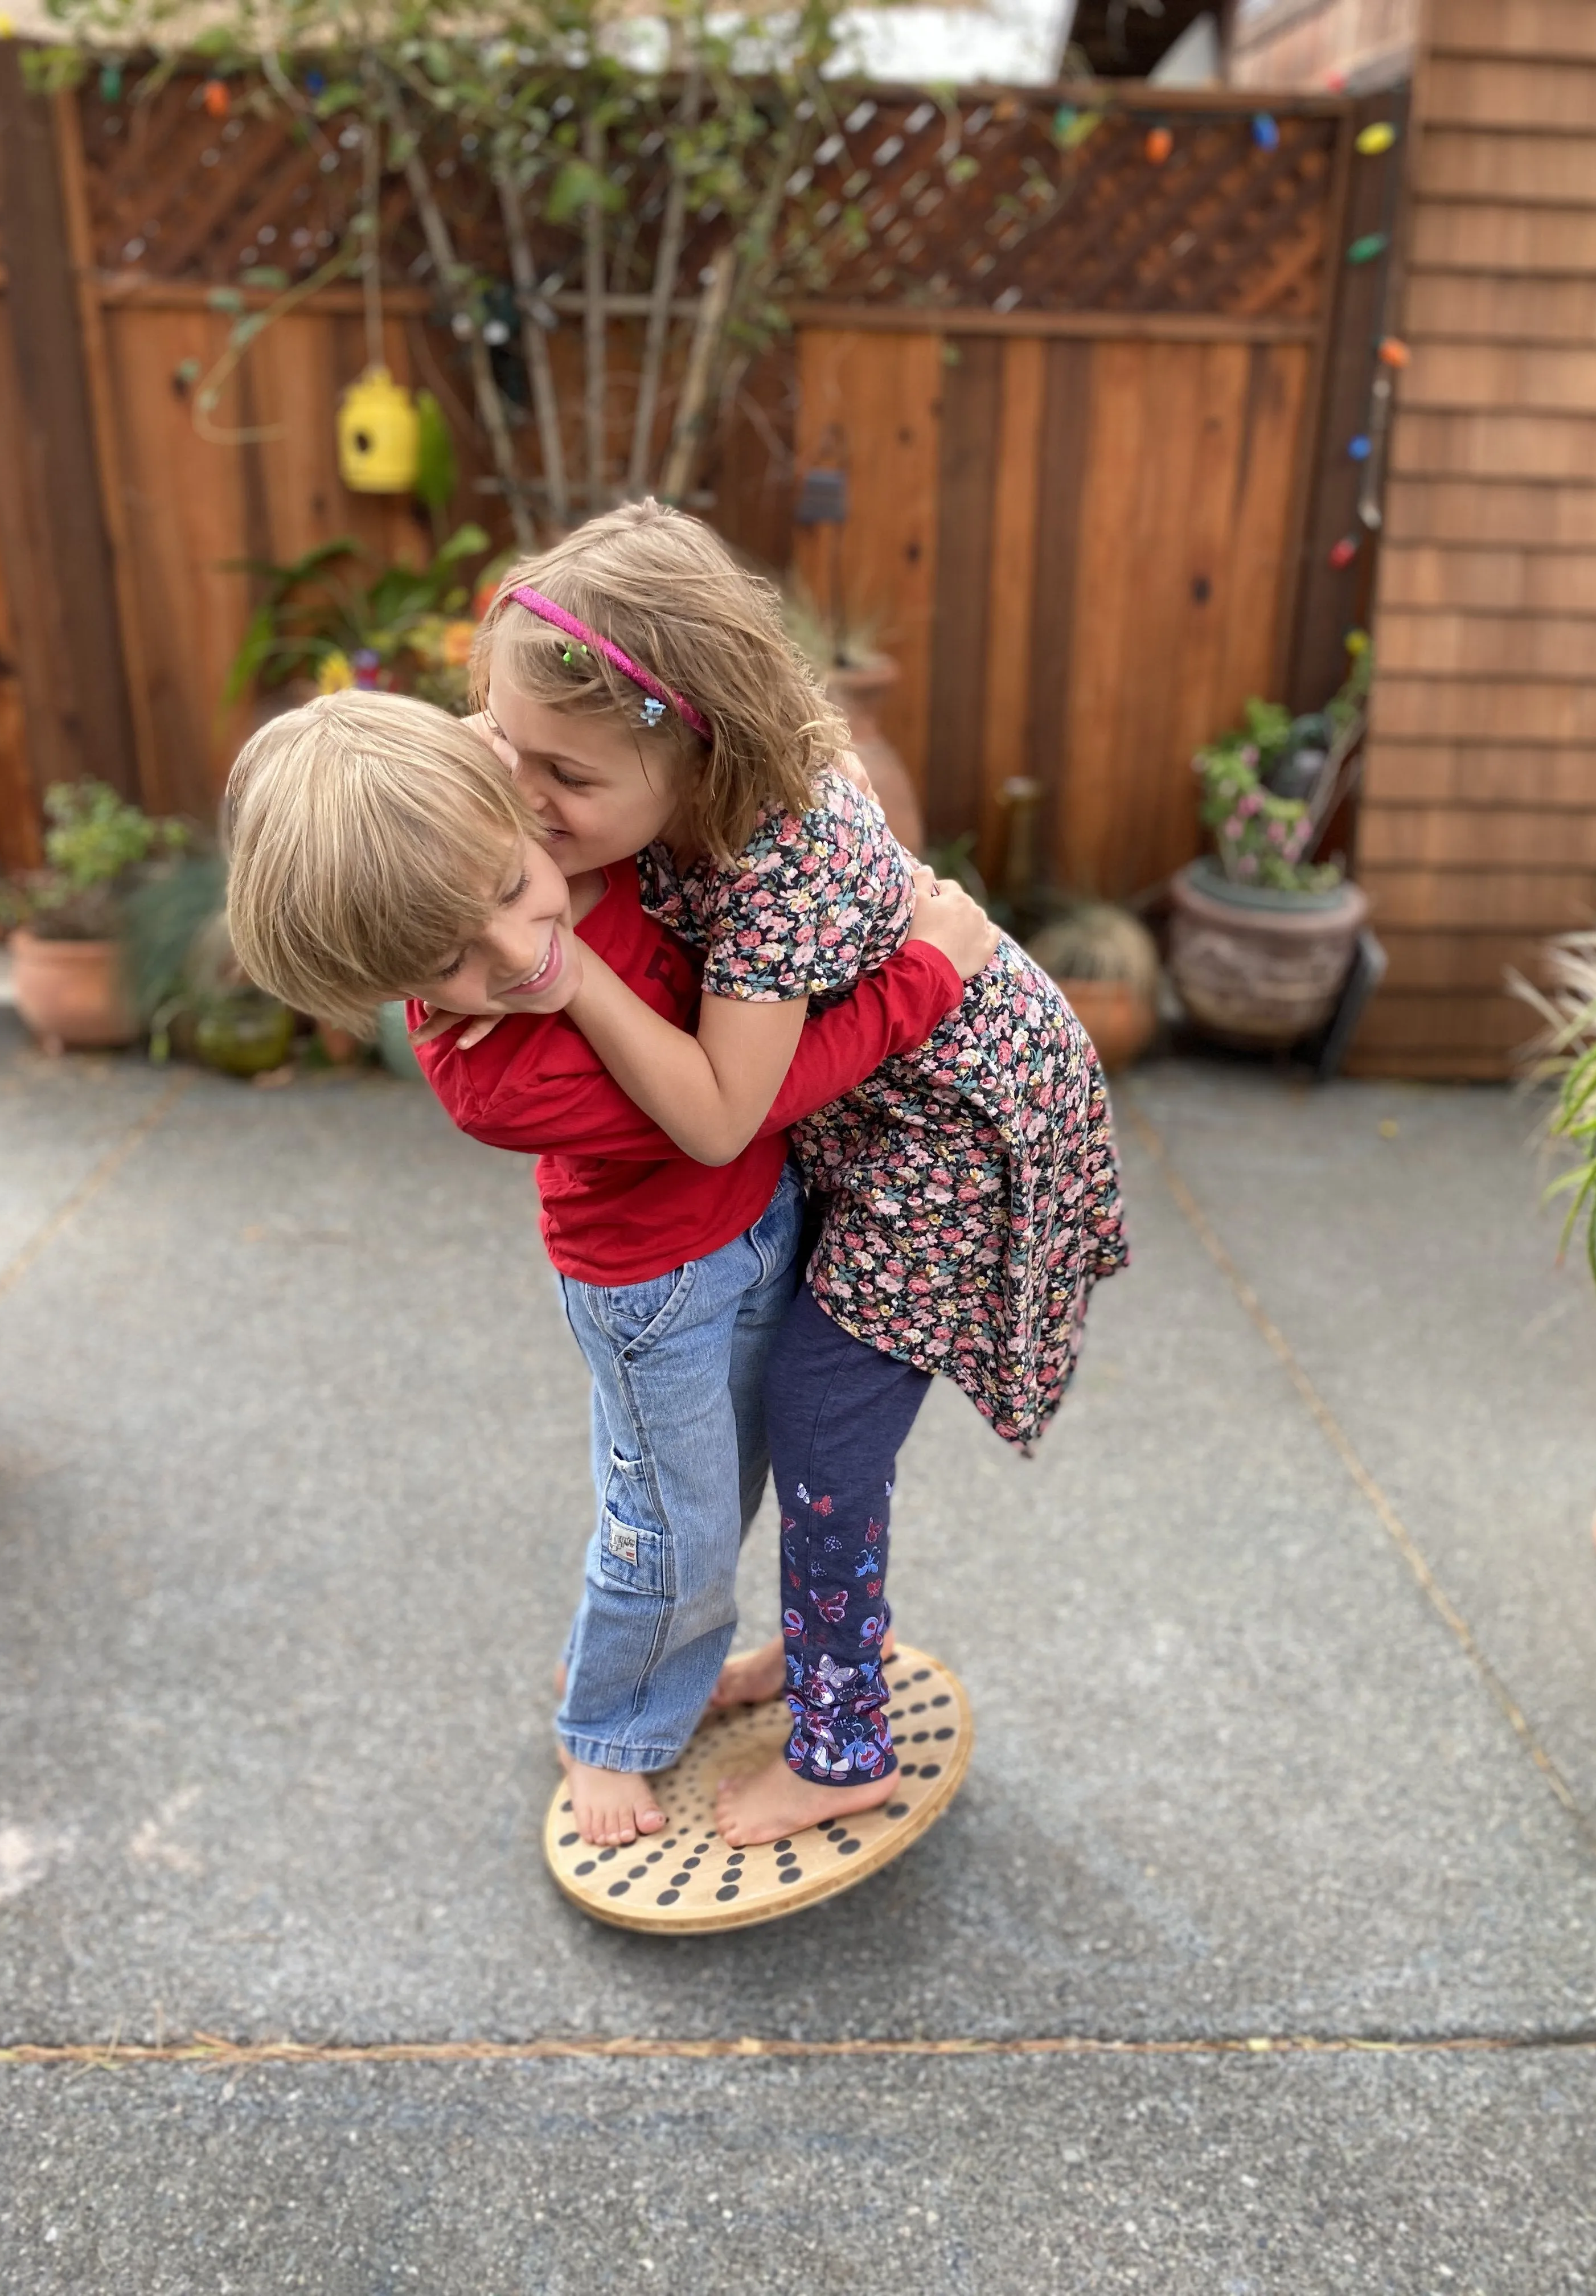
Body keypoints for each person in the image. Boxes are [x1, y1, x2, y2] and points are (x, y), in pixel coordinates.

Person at [449, 499, 1129, 1850]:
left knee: (822, 1424)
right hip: (875, 1117)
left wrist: (575, 978)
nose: (528, 801)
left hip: (950, 1139)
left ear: (693, 748)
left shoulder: (775, 866)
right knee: (793, 1416)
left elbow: (716, 1115)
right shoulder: (658, 780)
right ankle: (811, 1663)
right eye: (508, 750)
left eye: (566, 780)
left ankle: (842, 1747)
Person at [223, 690, 998, 1850]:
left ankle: (713, 1652)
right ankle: (608, 1727)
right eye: (453, 967)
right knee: (670, 1530)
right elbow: (736, 1106)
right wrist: (927, 976)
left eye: (504, 893)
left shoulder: (573, 832)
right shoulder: (497, 1080)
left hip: (764, 1225)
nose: (521, 956)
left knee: (758, 1485)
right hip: (660, 1295)